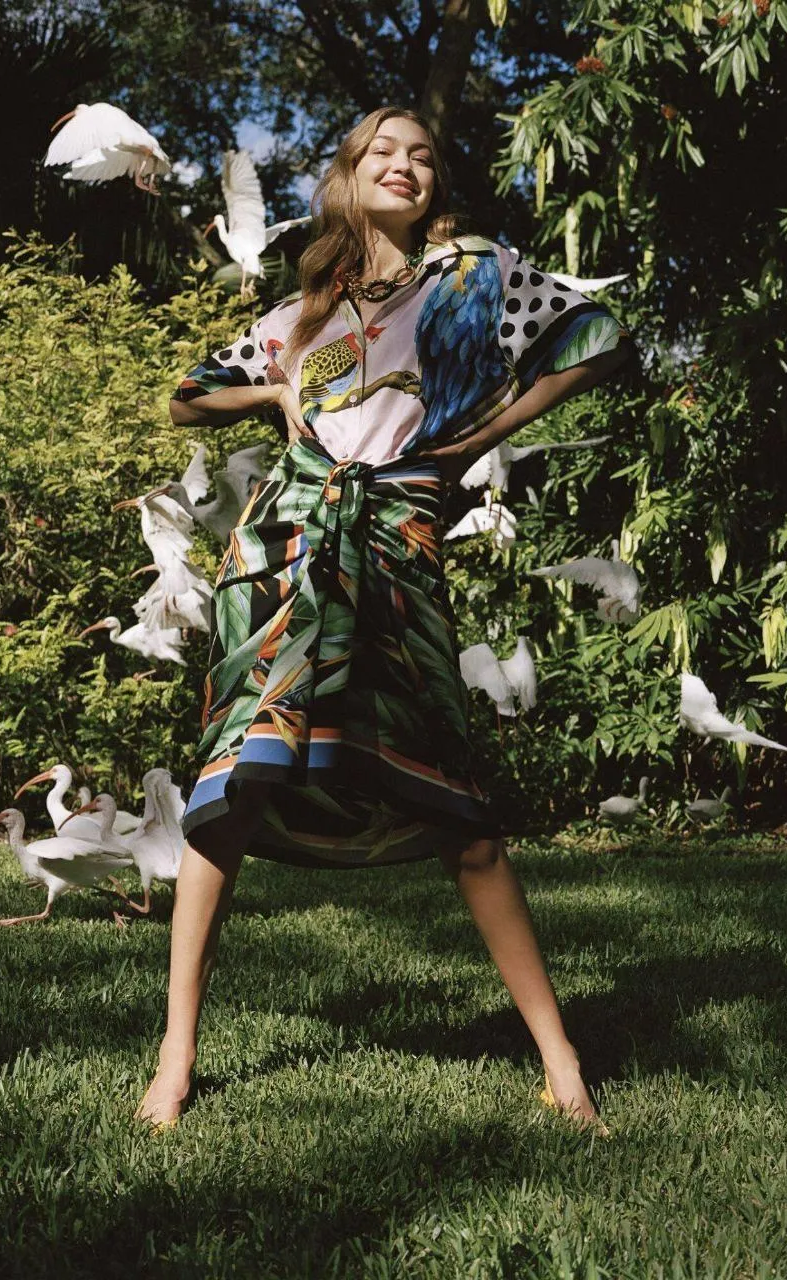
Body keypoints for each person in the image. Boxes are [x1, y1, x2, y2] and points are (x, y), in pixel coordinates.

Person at [136, 106, 635, 1132]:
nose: (404, 165)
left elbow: (595, 338)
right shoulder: (303, 312)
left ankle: (561, 1058)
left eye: (421, 156)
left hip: (397, 544)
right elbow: (186, 396)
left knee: (460, 812)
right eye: (383, 152)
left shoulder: (472, 275)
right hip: (280, 552)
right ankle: (175, 1057)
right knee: (231, 793)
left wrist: (481, 437)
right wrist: (274, 397)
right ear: (348, 176)